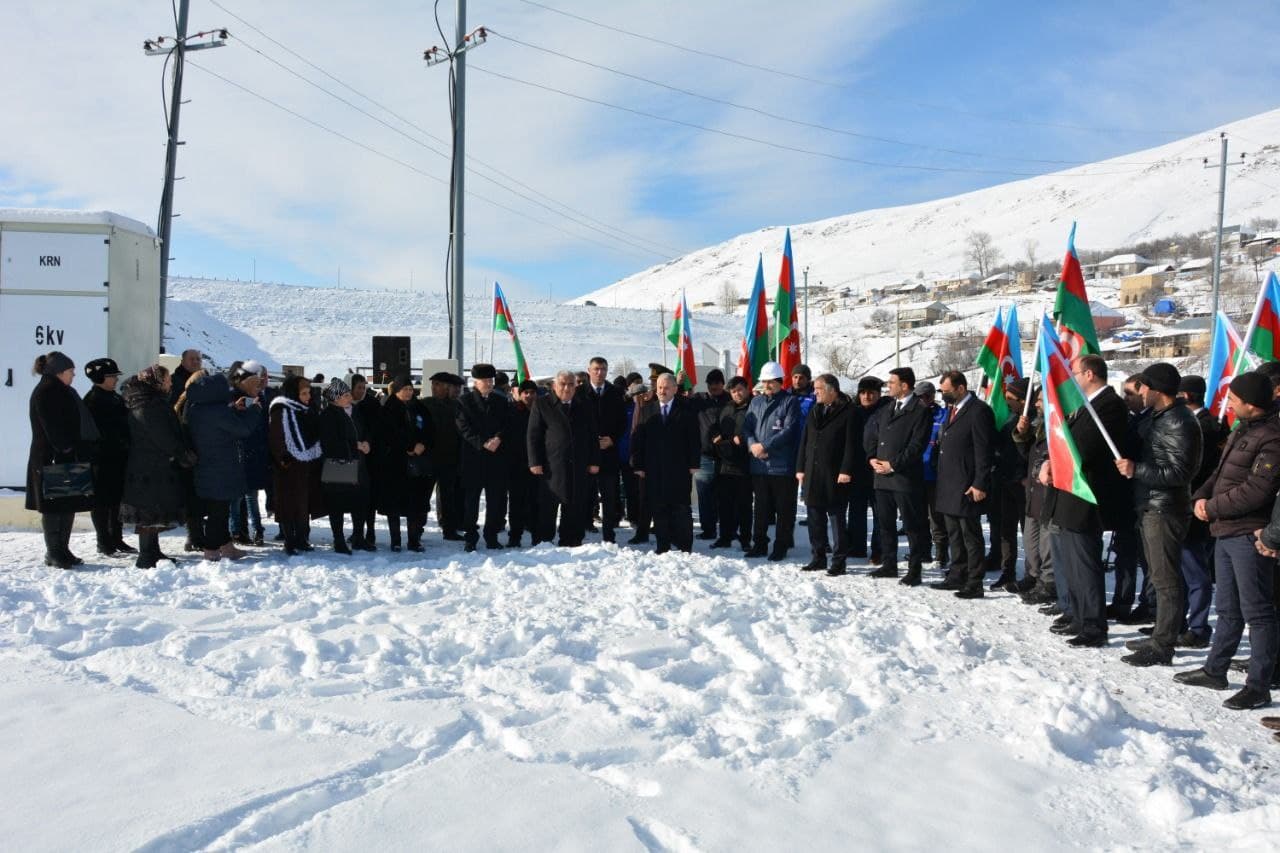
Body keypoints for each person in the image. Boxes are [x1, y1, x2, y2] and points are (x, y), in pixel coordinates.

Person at [1176, 373, 1280, 711]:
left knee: (1258, 612)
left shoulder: (1272, 437)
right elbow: (1219, 475)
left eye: (1233, 398)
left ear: (1250, 403)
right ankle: (1215, 669)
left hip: (1248, 534)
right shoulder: (1242, 429)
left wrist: (1213, 507)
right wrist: (1200, 498)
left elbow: (1258, 490)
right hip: (1224, 530)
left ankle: (1258, 685)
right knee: (1229, 609)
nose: (1228, 403)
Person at [1115, 363, 1201, 667]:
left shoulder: (1179, 421)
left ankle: (1163, 645)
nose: (1139, 393)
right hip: (1149, 504)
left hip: (1165, 508)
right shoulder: (1157, 417)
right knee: (1159, 575)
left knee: (1166, 580)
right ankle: (1161, 632)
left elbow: (1181, 471)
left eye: (1143, 388)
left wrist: (1136, 469)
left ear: (1155, 390)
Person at [1040, 354, 1128, 646]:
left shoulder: (1110, 406)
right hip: (1069, 496)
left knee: (1086, 565)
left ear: (1090, 374)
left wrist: (1061, 461)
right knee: (1073, 565)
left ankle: (1093, 625)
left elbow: (1088, 447)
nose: (1072, 380)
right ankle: (1078, 616)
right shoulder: (1084, 408)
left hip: (1087, 497)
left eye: (1075, 373)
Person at [27, 351, 98, 569]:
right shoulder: (46, 392)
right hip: (51, 457)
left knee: (67, 503)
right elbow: (52, 427)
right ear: (59, 372)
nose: (73, 375)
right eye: (70, 371)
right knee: (53, 507)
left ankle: (63, 549)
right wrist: (65, 447)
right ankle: (54, 551)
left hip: (63, 456)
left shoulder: (60, 391)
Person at [930, 371, 995, 598]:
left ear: (960, 388)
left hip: (967, 484)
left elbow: (983, 451)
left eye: (946, 391)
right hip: (949, 484)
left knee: (970, 535)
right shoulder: (951, 410)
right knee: (954, 533)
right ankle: (957, 572)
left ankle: (974, 581)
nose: (943, 395)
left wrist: (979, 483)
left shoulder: (979, 411)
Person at [120, 365, 193, 568]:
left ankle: (153, 551)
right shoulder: (148, 404)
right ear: (156, 381)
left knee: (153, 510)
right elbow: (161, 435)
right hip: (148, 466)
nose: (170, 383)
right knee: (147, 511)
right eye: (167, 379)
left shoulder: (148, 400)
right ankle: (146, 555)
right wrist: (180, 452)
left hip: (152, 464)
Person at [865, 367, 932, 584]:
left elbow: (917, 446)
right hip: (882, 477)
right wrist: (872, 457)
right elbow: (874, 434)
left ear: (904, 386)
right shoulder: (887, 408)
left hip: (904, 478)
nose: (888, 386)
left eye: (892, 382)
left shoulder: (920, 410)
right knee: (885, 524)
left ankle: (914, 570)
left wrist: (893, 465)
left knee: (912, 526)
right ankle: (889, 564)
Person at [186, 371, 256, 561]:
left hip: (206, 466)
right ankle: (211, 550)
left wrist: (233, 409)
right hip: (221, 468)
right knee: (219, 511)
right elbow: (243, 429)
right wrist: (254, 410)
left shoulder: (196, 408)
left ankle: (226, 546)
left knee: (218, 509)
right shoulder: (218, 412)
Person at [797, 374, 861, 576]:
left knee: (836, 520)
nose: (814, 392)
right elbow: (804, 441)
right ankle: (818, 557)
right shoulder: (815, 410)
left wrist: (846, 470)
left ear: (832, 390)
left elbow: (852, 445)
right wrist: (800, 467)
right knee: (815, 519)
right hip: (812, 473)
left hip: (835, 475)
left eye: (818, 389)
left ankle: (839, 561)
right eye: (814, 389)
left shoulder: (849, 411)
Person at [527, 370, 600, 547]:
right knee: (547, 505)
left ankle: (571, 539)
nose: (566, 388)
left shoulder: (584, 405)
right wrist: (534, 461)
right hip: (551, 465)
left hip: (578, 464)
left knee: (575, 504)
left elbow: (592, 434)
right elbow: (533, 435)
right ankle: (544, 540)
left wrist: (594, 461)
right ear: (554, 386)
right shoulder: (542, 404)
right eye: (562, 384)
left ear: (576, 387)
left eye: (570, 384)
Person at [1177, 375, 1223, 647]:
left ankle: (1198, 626)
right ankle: (1179, 622)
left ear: (1186, 396)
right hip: (1189, 506)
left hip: (1197, 506)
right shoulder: (1202, 423)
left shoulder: (1205, 426)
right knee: (1185, 570)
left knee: (1196, 572)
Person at [631, 373, 700, 554]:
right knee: (658, 507)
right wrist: (638, 465)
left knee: (681, 508)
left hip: (680, 468)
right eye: (660, 387)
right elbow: (638, 439)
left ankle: (685, 546)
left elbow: (694, 439)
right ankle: (663, 545)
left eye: (667, 387)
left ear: (675, 389)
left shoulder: (686, 410)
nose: (662, 391)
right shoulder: (647, 410)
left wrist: (694, 463)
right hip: (654, 469)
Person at [742, 361, 802, 561]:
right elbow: (747, 427)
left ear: (779, 381)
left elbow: (789, 430)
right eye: (764, 382)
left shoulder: (790, 402)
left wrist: (765, 446)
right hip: (759, 466)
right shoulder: (755, 402)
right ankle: (759, 543)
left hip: (781, 466)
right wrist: (753, 446)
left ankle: (781, 545)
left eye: (770, 382)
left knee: (784, 510)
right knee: (760, 508)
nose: (766, 386)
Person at [457, 363, 512, 552]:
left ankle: (491, 535)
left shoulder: (501, 401)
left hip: (496, 459)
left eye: (491, 380)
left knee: (495, 500)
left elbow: (507, 424)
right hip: (474, 457)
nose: (489, 384)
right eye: (485, 381)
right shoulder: (464, 401)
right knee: (471, 501)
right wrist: (482, 442)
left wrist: (498, 438)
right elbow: (463, 427)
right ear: (476, 382)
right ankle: (470, 537)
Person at [1111, 374, 1152, 623]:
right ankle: (1121, 601)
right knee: (1123, 554)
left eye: (1129, 394)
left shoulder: (1151, 423)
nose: (1126, 399)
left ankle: (1148, 605)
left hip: (1146, 499)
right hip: (1126, 501)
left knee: (1147, 560)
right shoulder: (1129, 421)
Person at [83, 357, 135, 556]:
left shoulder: (114, 397)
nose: (115, 379)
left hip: (118, 458)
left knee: (116, 501)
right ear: (100, 378)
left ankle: (116, 537)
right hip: (102, 460)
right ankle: (104, 541)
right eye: (111, 376)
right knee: (102, 503)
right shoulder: (93, 400)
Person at [268, 374, 323, 556]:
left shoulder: (308, 410)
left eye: (309, 393)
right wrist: (283, 457)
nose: (308, 397)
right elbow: (277, 437)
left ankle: (302, 538)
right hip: (287, 467)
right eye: (304, 393)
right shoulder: (281, 410)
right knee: (287, 505)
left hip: (306, 464)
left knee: (303, 505)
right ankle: (289, 540)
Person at [376, 376, 432, 552]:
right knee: (394, 504)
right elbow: (387, 434)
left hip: (417, 464)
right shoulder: (388, 409)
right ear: (397, 390)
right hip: (395, 464)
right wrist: (406, 446)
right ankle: (396, 540)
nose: (408, 392)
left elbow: (430, 429)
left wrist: (423, 444)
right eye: (404, 389)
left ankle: (414, 540)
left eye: (410, 389)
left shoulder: (420, 408)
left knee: (415, 504)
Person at [319, 377, 371, 555]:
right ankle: (338, 540)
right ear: (336, 398)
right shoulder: (328, 415)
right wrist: (353, 445)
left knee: (360, 501)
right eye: (346, 395)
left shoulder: (355, 411)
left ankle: (358, 537)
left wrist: (366, 443)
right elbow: (329, 442)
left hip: (358, 462)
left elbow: (365, 430)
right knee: (337, 504)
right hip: (338, 465)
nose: (350, 398)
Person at [577, 357, 626, 543]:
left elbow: (622, 422)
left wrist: (611, 439)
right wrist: (590, 442)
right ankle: (580, 531)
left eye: (603, 369)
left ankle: (609, 534)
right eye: (596, 369)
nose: (600, 372)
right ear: (589, 370)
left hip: (609, 453)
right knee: (583, 494)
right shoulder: (579, 392)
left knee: (609, 496)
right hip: (587, 454)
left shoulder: (615, 393)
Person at [988, 378, 1028, 592]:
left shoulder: (1031, 421)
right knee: (1006, 529)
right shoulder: (1009, 420)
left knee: (1029, 533)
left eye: (1011, 398)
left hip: (1023, 485)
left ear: (1023, 400)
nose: (1006, 401)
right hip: (1005, 482)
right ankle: (1007, 570)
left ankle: (1033, 575)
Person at [229, 361, 269, 547]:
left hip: (253, 452)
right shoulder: (233, 398)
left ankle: (257, 531)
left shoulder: (261, 398)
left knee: (250, 497)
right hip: (238, 453)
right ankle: (236, 531)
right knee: (237, 497)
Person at [848, 376, 888, 562]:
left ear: (879, 394)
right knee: (857, 510)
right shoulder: (854, 412)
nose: (867, 396)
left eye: (871, 393)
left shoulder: (886, 411)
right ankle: (857, 546)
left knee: (880, 513)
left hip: (879, 468)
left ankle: (878, 550)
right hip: (857, 469)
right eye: (863, 393)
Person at [712, 376, 754, 551]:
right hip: (725, 464)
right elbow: (719, 430)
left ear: (746, 389)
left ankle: (745, 538)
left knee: (744, 504)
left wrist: (742, 439)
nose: (737, 394)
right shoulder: (726, 408)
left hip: (745, 464)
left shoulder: (754, 406)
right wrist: (719, 438)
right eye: (733, 391)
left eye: (740, 389)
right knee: (725, 504)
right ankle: (725, 536)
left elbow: (755, 431)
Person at [423, 372, 464, 541]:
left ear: (447, 387)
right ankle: (416, 529)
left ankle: (449, 528)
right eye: (433, 385)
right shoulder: (425, 404)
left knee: (448, 495)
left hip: (449, 458)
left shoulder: (457, 407)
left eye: (438, 385)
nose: (434, 388)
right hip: (428, 457)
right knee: (423, 495)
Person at [692, 369, 730, 542]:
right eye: (710, 383)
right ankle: (708, 530)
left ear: (723, 384)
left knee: (725, 496)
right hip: (704, 455)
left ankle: (727, 530)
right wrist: (679, 383)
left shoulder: (731, 400)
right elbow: (677, 401)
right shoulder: (699, 400)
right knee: (704, 495)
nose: (714, 386)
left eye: (717, 383)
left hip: (726, 457)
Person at [916, 380, 950, 568]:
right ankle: (923, 551)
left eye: (926, 396)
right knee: (919, 516)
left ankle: (941, 553)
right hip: (916, 472)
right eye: (919, 397)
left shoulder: (942, 415)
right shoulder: (913, 414)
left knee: (936, 518)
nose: (923, 400)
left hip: (936, 475)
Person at [349, 373, 381, 550]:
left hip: (370, 457)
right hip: (351, 458)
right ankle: (356, 532)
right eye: (358, 387)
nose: (361, 391)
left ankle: (370, 531)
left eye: (364, 387)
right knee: (354, 497)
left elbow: (376, 428)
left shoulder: (371, 404)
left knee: (369, 497)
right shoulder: (344, 405)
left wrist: (368, 442)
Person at [506, 380, 540, 548]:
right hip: (515, 464)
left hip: (537, 464)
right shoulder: (511, 411)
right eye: (525, 392)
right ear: (519, 394)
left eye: (532, 392)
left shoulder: (541, 411)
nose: (529, 396)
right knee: (516, 503)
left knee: (535, 502)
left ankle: (536, 535)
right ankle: (515, 536)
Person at [623, 382, 655, 545]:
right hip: (641, 462)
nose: (637, 399)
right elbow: (634, 437)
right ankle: (642, 532)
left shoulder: (650, 409)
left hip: (653, 462)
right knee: (643, 499)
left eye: (639, 395)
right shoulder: (636, 409)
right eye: (635, 396)